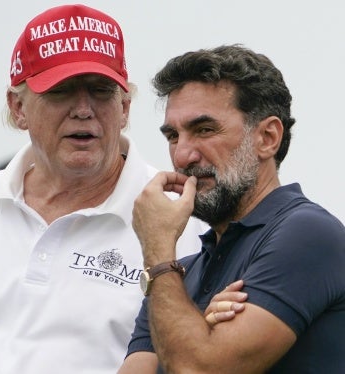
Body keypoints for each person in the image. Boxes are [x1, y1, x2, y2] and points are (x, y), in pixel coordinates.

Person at [0, 5, 213, 374]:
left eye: (101, 91)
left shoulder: (185, 221)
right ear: (17, 107)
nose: (83, 109)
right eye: (61, 91)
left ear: (125, 109)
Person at [118, 45, 345, 373]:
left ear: (267, 138)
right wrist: (198, 328)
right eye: (172, 136)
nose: (182, 156)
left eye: (204, 130)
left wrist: (157, 254)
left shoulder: (308, 234)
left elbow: (197, 369)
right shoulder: (178, 273)